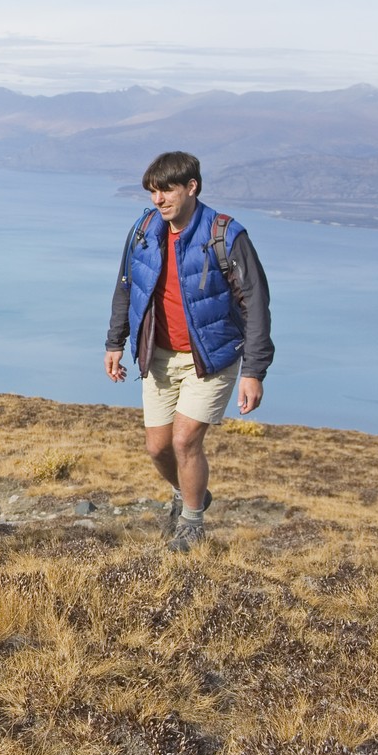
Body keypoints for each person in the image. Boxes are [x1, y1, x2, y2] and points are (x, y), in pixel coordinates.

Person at [105, 151, 273, 553]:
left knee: (184, 442)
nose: (158, 200)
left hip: (210, 358)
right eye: (152, 192)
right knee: (158, 447)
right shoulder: (144, 229)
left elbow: (255, 303)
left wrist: (254, 371)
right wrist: (114, 342)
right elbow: (127, 286)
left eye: (166, 190)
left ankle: (192, 524)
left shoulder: (226, 235)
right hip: (158, 354)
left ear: (192, 187)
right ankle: (189, 492)